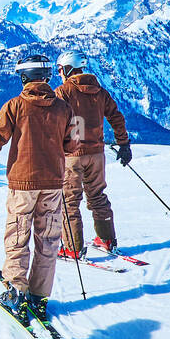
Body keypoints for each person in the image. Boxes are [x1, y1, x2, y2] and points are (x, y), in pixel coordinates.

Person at [0, 55, 77, 323]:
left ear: (24, 77)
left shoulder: (14, 106)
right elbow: (72, 145)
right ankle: (39, 296)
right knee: (48, 240)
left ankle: (16, 291)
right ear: (46, 77)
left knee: (18, 236)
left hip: (23, 183)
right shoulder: (64, 109)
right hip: (53, 183)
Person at [54, 52, 132, 257]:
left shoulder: (63, 92)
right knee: (97, 196)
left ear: (68, 69)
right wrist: (124, 144)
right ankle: (107, 240)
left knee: (69, 201)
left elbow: (52, 123)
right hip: (97, 154)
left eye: (60, 69)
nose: (59, 73)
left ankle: (72, 248)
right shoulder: (100, 91)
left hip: (72, 155)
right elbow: (116, 117)